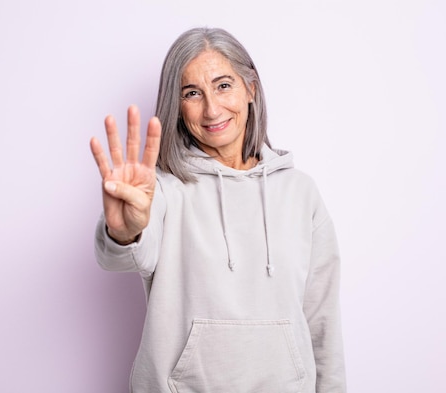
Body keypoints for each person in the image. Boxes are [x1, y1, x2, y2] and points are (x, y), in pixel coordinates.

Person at [90, 27, 346, 393]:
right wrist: (123, 232)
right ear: (177, 107)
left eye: (224, 85)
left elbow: (323, 321)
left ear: (251, 89)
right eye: (192, 93)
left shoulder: (300, 192)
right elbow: (122, 258)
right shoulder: (162, 190)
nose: (212, 109)